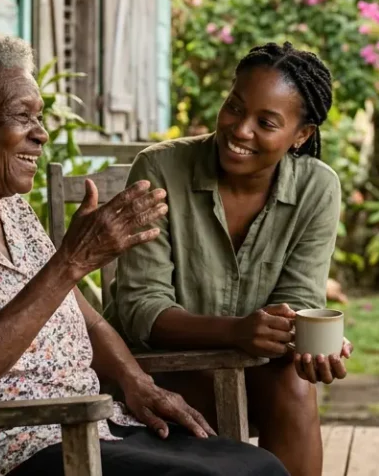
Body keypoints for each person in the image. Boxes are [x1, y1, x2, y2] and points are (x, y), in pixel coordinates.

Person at [0, 32, 287, 476]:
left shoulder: (11, 211)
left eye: (39, 117)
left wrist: (137, 383)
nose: (41, 134)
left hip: (85, 430)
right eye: (22, 116)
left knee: (258, 467)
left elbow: (85, 318)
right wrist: (71, 262)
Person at [109, 42, 349, 476]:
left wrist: (307, 339)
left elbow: (297, 298)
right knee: (284, 383)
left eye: (266, 122)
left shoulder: (317, 188)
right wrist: (236, 332)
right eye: (234, 108)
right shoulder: (161, 169)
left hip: (253, 373)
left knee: (295, 382)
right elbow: (139, 308)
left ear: (302, 135)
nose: (240, 130)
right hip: (155, 372)